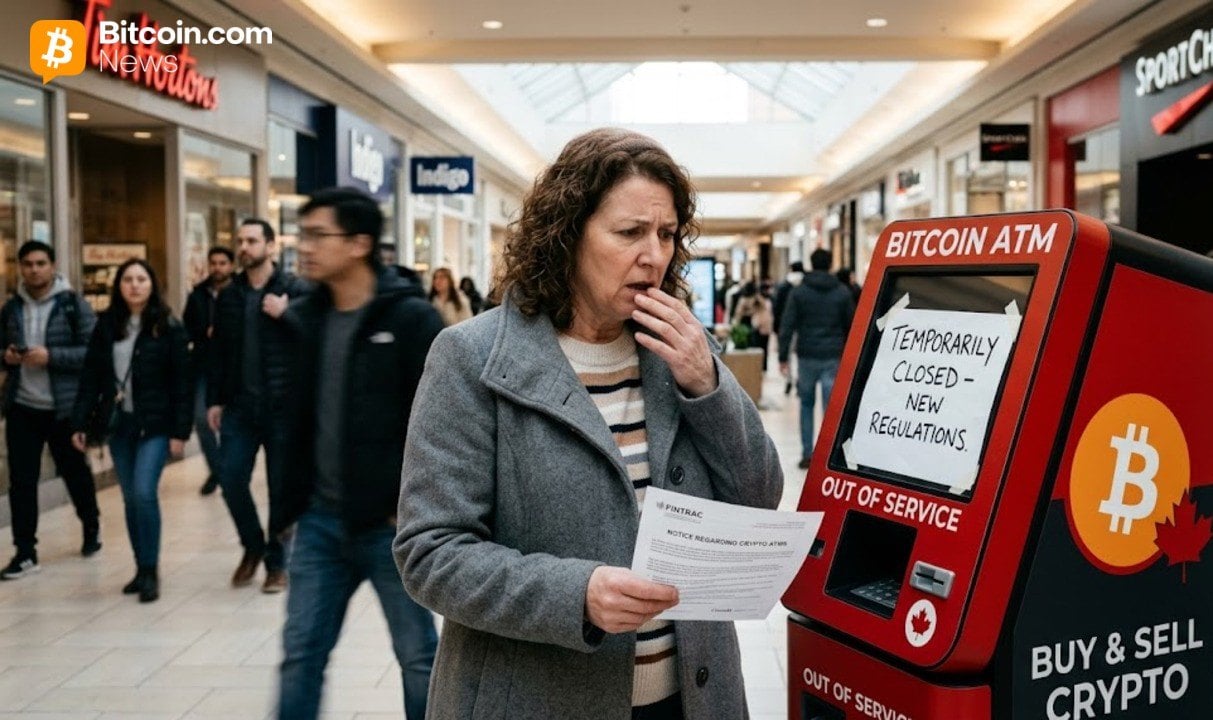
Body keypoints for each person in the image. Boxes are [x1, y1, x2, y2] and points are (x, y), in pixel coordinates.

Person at [394, 128, 783, 720]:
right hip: (537, 700)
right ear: (567, 235)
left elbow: (757, 498)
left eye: (666, 234)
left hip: (691, 698)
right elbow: (430, 553)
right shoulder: (471, 359)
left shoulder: (680, 349)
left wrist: (707, 384)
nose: (654, 255)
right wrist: (576, 595)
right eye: (630, 233)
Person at [276, 187, 442, 720]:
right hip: (319, 522)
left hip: (391, 528)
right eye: (303, 235)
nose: (304, 247)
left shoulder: (411, 320)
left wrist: (412, 507)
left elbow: (445, 423)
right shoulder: (305, 319)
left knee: (419, 658)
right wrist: (288, 508)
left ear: (359, 243)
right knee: (300, 656)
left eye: (317, 235)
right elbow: (293, 422)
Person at [70, 259, 191, 603]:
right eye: (128, 279)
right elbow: (91, 377)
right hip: (120, 424)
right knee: (129, 498)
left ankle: (151, 570)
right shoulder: (107, 325)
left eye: (141, 279)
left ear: (152, 285)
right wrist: (80, 422)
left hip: (156, 423)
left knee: (143, 492)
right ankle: (140, 568)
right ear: (119, 286)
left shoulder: (168, 326)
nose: (135, 285)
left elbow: (182, 383)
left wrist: (180, 432)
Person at [207, 219, 310, 593]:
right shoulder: (230, 295)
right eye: (240, 241)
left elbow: (316, 337)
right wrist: (215, 399)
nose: (244, 247)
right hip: (239, 407)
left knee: (281, 491)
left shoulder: (294, 289)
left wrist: (287, 313)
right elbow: (218, 352)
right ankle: (253, 545)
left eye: (252, 240)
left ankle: (277, 564)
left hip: (282, 408)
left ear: (270, 246)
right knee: (230, 477)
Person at [0, 241, 101, 580]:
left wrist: (51, 357)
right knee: (21, 481)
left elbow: (93, 352)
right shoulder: (12, 308)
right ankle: (25, 552)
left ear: (53, 265)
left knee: (74, 473)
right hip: (23, 406)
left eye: (40, 263)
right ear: (20, 267)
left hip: (63, 408)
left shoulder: (73, 305)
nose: (34, 269)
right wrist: (8, 357)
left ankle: (91, 525)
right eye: (28, 264)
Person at [778, 248, 855, 469]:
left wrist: (783, 356)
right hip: (833, 355)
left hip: (807, 355)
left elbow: (787, 324)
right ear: (830, 264)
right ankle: (829, 454)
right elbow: (852, 325)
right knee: (830, 408)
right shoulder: (842, 292)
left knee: (806, 404)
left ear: (811, 264)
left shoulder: (799, 292)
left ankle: (807, 454)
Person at [182, 246, 234, 495]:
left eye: (222, 263)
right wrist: (204, 333)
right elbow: (187, 329)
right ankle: (218, 470)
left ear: (231, 266)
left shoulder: (240, 292)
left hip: (233, 366)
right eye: (214, 263)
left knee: (231, 423)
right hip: (204, 365)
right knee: (202, 420)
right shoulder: (198, 295)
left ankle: (231, 468)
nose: (217, 268)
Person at [772, 261, 804, 395]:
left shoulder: (784, 287)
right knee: (801, 355)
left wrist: (777, 327)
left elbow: (776, 308)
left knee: (788, 354)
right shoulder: (805, 286)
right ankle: (800, 380)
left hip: (786, 325)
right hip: (803, 326)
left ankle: (789, 380)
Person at [732, 280, 773, 370]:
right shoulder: (757, 298)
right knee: (759, 348)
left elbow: (738, 314)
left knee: (750, 348)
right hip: (756, 326)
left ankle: (752, 367)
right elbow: (764, 309)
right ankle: (761, 367)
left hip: (748, 325)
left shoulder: (744, 299)